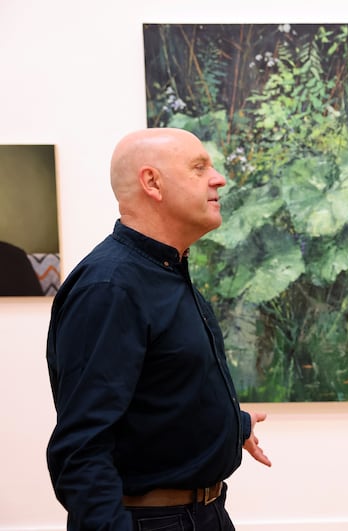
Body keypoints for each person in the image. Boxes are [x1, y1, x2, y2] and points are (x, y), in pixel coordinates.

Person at [46, 128, 272, 531]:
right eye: (199, 167)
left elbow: (156, 391)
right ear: (152, 182)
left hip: (204, 515)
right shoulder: (110, 287)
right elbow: (80, 450)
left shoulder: (166, 272)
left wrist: (228, 425)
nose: (218, 178)